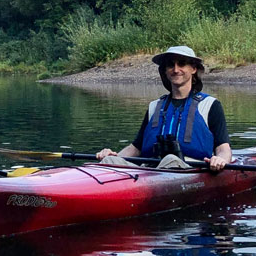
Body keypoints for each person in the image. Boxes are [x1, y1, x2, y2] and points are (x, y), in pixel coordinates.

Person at [96, 45, 232, 171]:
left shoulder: (210, 105)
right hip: (150, 169)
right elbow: (135, 148)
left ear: (193, 69)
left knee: (171, 159)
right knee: (109, 159)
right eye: (170, 65)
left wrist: (220, 160)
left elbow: (223, 148)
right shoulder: (154, 106)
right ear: (165, 71)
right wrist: (114, 156)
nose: (176, 69)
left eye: (182, 64)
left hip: (190, 169)